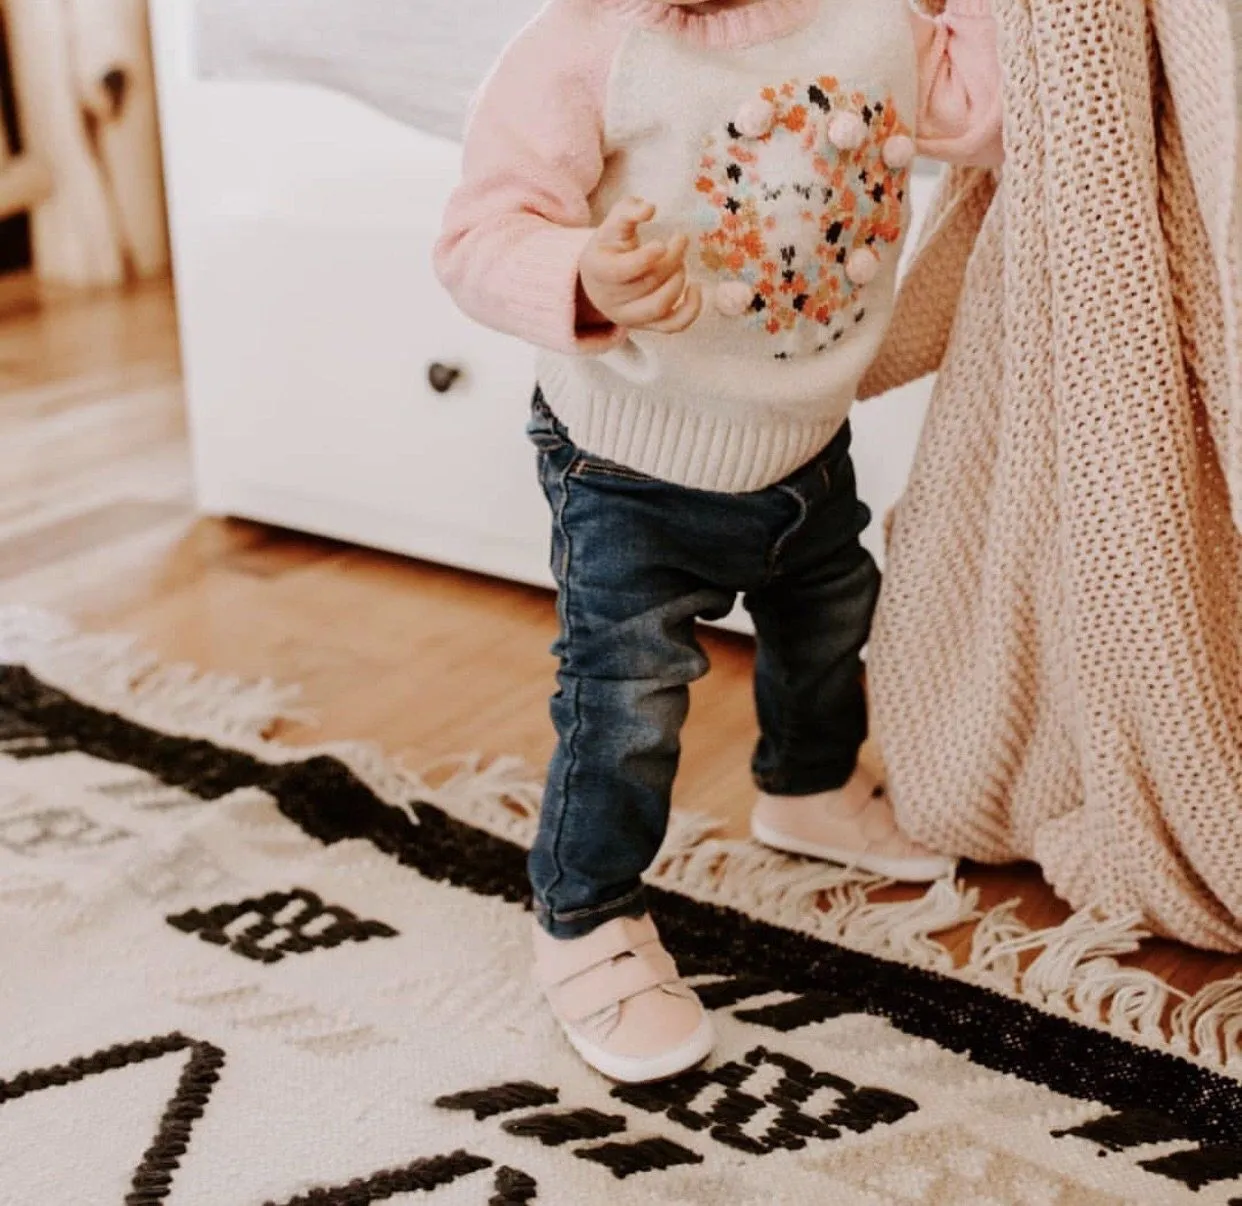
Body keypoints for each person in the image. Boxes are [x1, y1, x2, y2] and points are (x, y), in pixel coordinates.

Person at [435, 0, 1001, 1084]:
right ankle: (584, 913)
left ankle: (807, 787)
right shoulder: (580, 49)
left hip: (801, 440)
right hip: (627, 462)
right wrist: (580, 275)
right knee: (626, 703)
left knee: (834, 615)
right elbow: (476, 235)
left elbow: (978, 114)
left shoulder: (873, 19)